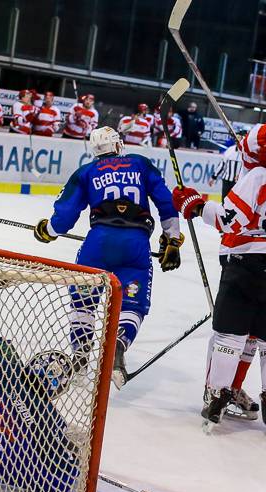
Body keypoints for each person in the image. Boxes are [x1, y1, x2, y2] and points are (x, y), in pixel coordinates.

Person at [171, 136, 266, 434]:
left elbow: (229, 220)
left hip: (246, 264)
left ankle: (217, 398)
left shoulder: (260, 176)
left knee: (229, 338)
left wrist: (196, 206)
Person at [32, 127, 184, 388]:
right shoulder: (140, 163)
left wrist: (49, 230)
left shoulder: (86, 171)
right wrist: (172, 238)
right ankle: (118, 348)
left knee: (83, 302)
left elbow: (65, 215)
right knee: (132, 305)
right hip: (135, 245)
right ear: (117, 145)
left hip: (97, 244)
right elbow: (166, 202)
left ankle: (80, 358)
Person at [210, 134, 244, 199]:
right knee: (224, 200)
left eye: (239, 138)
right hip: (226, 180)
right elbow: (222, 164)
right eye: (236, 138)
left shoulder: (244, 152)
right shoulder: (230, 150)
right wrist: (214, 177)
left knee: (234, 201)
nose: (237, 140)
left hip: (237, 182)